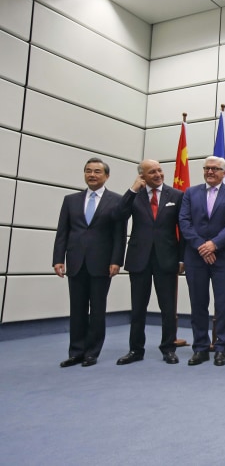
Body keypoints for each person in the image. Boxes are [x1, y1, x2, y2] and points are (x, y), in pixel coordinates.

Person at [53, 157, 127, 367]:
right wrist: (58, 259)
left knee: (97, 309)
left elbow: (119, 235)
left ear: (106, 176)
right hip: (75, 261)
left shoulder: (116, 201)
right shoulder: (71, 200)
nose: (92, 175)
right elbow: (62, 232)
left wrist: (116, 260)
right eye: (88, 171)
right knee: (76, 308)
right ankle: (76, 351)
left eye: (96, 171)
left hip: (102, 263)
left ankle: (91, 352)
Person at [114, 159, 185, 365]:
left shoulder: (177, 196)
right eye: (151, 172)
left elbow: (184, 230)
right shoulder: (134, 196)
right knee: (138, 309)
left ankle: (168, 349)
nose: (157, 174)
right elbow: (119, 215)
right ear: (142, 176)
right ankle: (136, 350)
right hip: (139, 259)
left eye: (159, 170)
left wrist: (182, 258)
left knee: (168, 309)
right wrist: (132, 190)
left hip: (167, 259)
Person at [179, 156, 225, 366]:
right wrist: (201, 246)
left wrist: (214, 244)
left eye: (215, 169)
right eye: (207, 168)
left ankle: (222, 348)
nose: (210, 172)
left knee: (223, 305)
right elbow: (184, 221)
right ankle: (200, 348)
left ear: (224, 172)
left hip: (222, 257)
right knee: (198, 304)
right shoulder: (190, 192)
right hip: (195, 257)